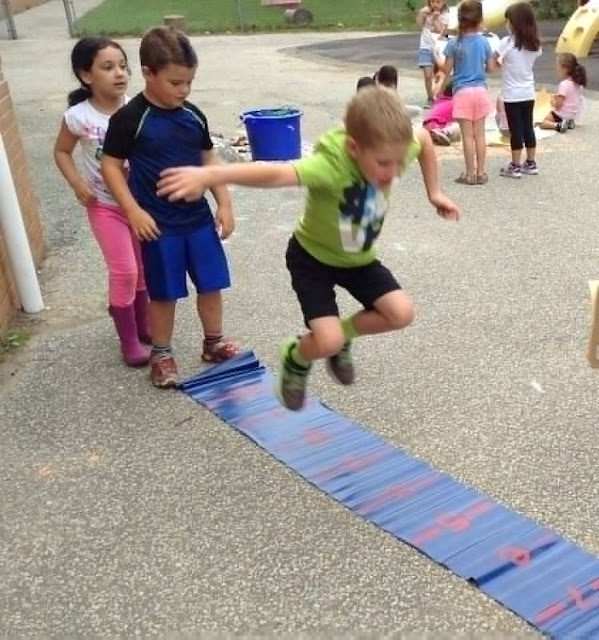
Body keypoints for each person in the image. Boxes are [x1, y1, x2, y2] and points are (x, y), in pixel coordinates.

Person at [155, 86, 461, 411]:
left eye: (399, 162)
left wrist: (435, 193)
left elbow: (423, 140)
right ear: (354, 148)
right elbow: (275, 174)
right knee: (326, 341)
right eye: (385, 164)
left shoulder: (394, 146)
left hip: (358, 259)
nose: (394, 172)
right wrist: (210, 174)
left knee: (401, 314)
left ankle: (342, 337)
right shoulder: (330, 166)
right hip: (312, 260)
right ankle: (297, 356)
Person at [100, 26, 240, 389]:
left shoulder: (193, 115)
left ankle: (213, 343)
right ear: (148, 73)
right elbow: (110, 166)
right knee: (164, 292)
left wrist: (224, 203)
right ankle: (161, 354)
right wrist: (133, 210)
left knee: (211, 283)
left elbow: (209, 160)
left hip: (198, 220)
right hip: (158, 225)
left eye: (189, 82)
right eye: (176, 82)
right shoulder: (130, 119)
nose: (184, 90)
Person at [53, 36, 151, 368]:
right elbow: (61, 151)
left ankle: (142, 325)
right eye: (107, 67)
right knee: (124, 271)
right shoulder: (78, 117)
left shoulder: (139, 108)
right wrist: (77, 183)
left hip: (140, 207)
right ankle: (129, 341)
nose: (119, 73)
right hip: (106, 208)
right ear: (86, 75)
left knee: (142, 270)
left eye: (123, 66)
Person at [442, 0, 497, 185]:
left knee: (467, 135)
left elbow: (446, 69)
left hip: (462, 92)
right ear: (480, 19)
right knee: (480, 134)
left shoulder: (454, 44)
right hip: (480, 91)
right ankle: (481, 172)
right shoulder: (484, 41)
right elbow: (491, 68)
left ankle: (469, 174)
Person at [494, 2, 542, 179]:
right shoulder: (534, 44)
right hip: (528, 92)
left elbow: (495, 61)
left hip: (511, 95)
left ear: (515, 23)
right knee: (528, 127)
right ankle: (531, 162)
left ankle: (515, 165)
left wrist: (499, 63)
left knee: (516, 130)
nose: (507, 25)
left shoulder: (507, 43)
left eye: (509, 21)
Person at [539, 53, 587, 133]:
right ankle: (568, 123)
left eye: (558, 66)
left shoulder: (564, 84)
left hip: (562, 115)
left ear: (565, 69)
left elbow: (558, 106)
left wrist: (553, 102)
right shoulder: (577, 83)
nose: (556, 69)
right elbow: (572, 97)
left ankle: (558, 125)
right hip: (573, 115)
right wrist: (558, 97)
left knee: (540, 121)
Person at [416, 0, 450, 107]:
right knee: (427, 74)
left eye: (438, 2)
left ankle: (441, 95)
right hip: (425, 46)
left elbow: (442, 32)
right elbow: (419, 26)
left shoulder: (445, 15)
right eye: (432, 1)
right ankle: (430, 98)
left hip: (439, 48)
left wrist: (435, 19)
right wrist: (421, 14)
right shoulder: (426, 12)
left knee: (442, 74)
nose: (434, 4)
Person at [423, 79, 461, 146]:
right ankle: (443, 132)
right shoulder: (455, 103)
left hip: (427, 124)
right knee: (459, 126)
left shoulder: (440, 100)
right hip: (438, 125)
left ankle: (435, 134)